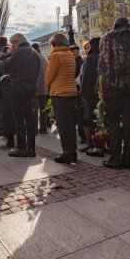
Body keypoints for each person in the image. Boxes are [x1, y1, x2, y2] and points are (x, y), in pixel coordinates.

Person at [98, 16, 130, 170]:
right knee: (128, 121)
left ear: (115, 26)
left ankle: (115, 158)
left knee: (113, 121)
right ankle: (128, 158)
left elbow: (103, 66)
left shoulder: (108, 38)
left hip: (113, 86)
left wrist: (100, 88)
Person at [2, 32, 41, 157]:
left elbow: (7, 67)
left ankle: (21, 147)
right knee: (29, 118)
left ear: (17, 42)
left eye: (13, 43)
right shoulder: (34, 53)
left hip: (18, 88)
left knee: (18, 118)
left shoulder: (19, 52)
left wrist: (8, 54)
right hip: (30, 88)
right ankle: (31, 148)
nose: (12, 46)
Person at [45, 33, 79, 164]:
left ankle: (67, 153)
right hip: (71, 92)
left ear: (55, 43)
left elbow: (49, 77)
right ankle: (73, 151)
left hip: (59, 94)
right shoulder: (70, 55)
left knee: (63, 125)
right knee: (70, 124)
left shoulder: (55, 56)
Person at [80, 37, 101, 156]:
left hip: (90, 94)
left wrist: (83, 93)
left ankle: (92, 144)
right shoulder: (103, 56)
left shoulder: (91, 57)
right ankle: (99, 143)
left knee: (89, 120)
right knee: (99, 120)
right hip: (101, 92)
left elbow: (86, 76)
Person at [31, 43, 50, 134]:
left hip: (35, 88)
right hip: (44, 88)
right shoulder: (44, 59)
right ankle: (43, 128)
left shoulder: (32, 58)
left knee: (34, 110)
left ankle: (34, 129)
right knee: (43, 109)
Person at [70, 44, 86, 145]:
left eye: (74, 52)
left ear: (77, 52)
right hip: (73, 90)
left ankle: (83, 136)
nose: (72, 54)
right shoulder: (72, 61)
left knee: (80, 114)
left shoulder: (81, 62)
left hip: (79, 91)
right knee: (76, 114)